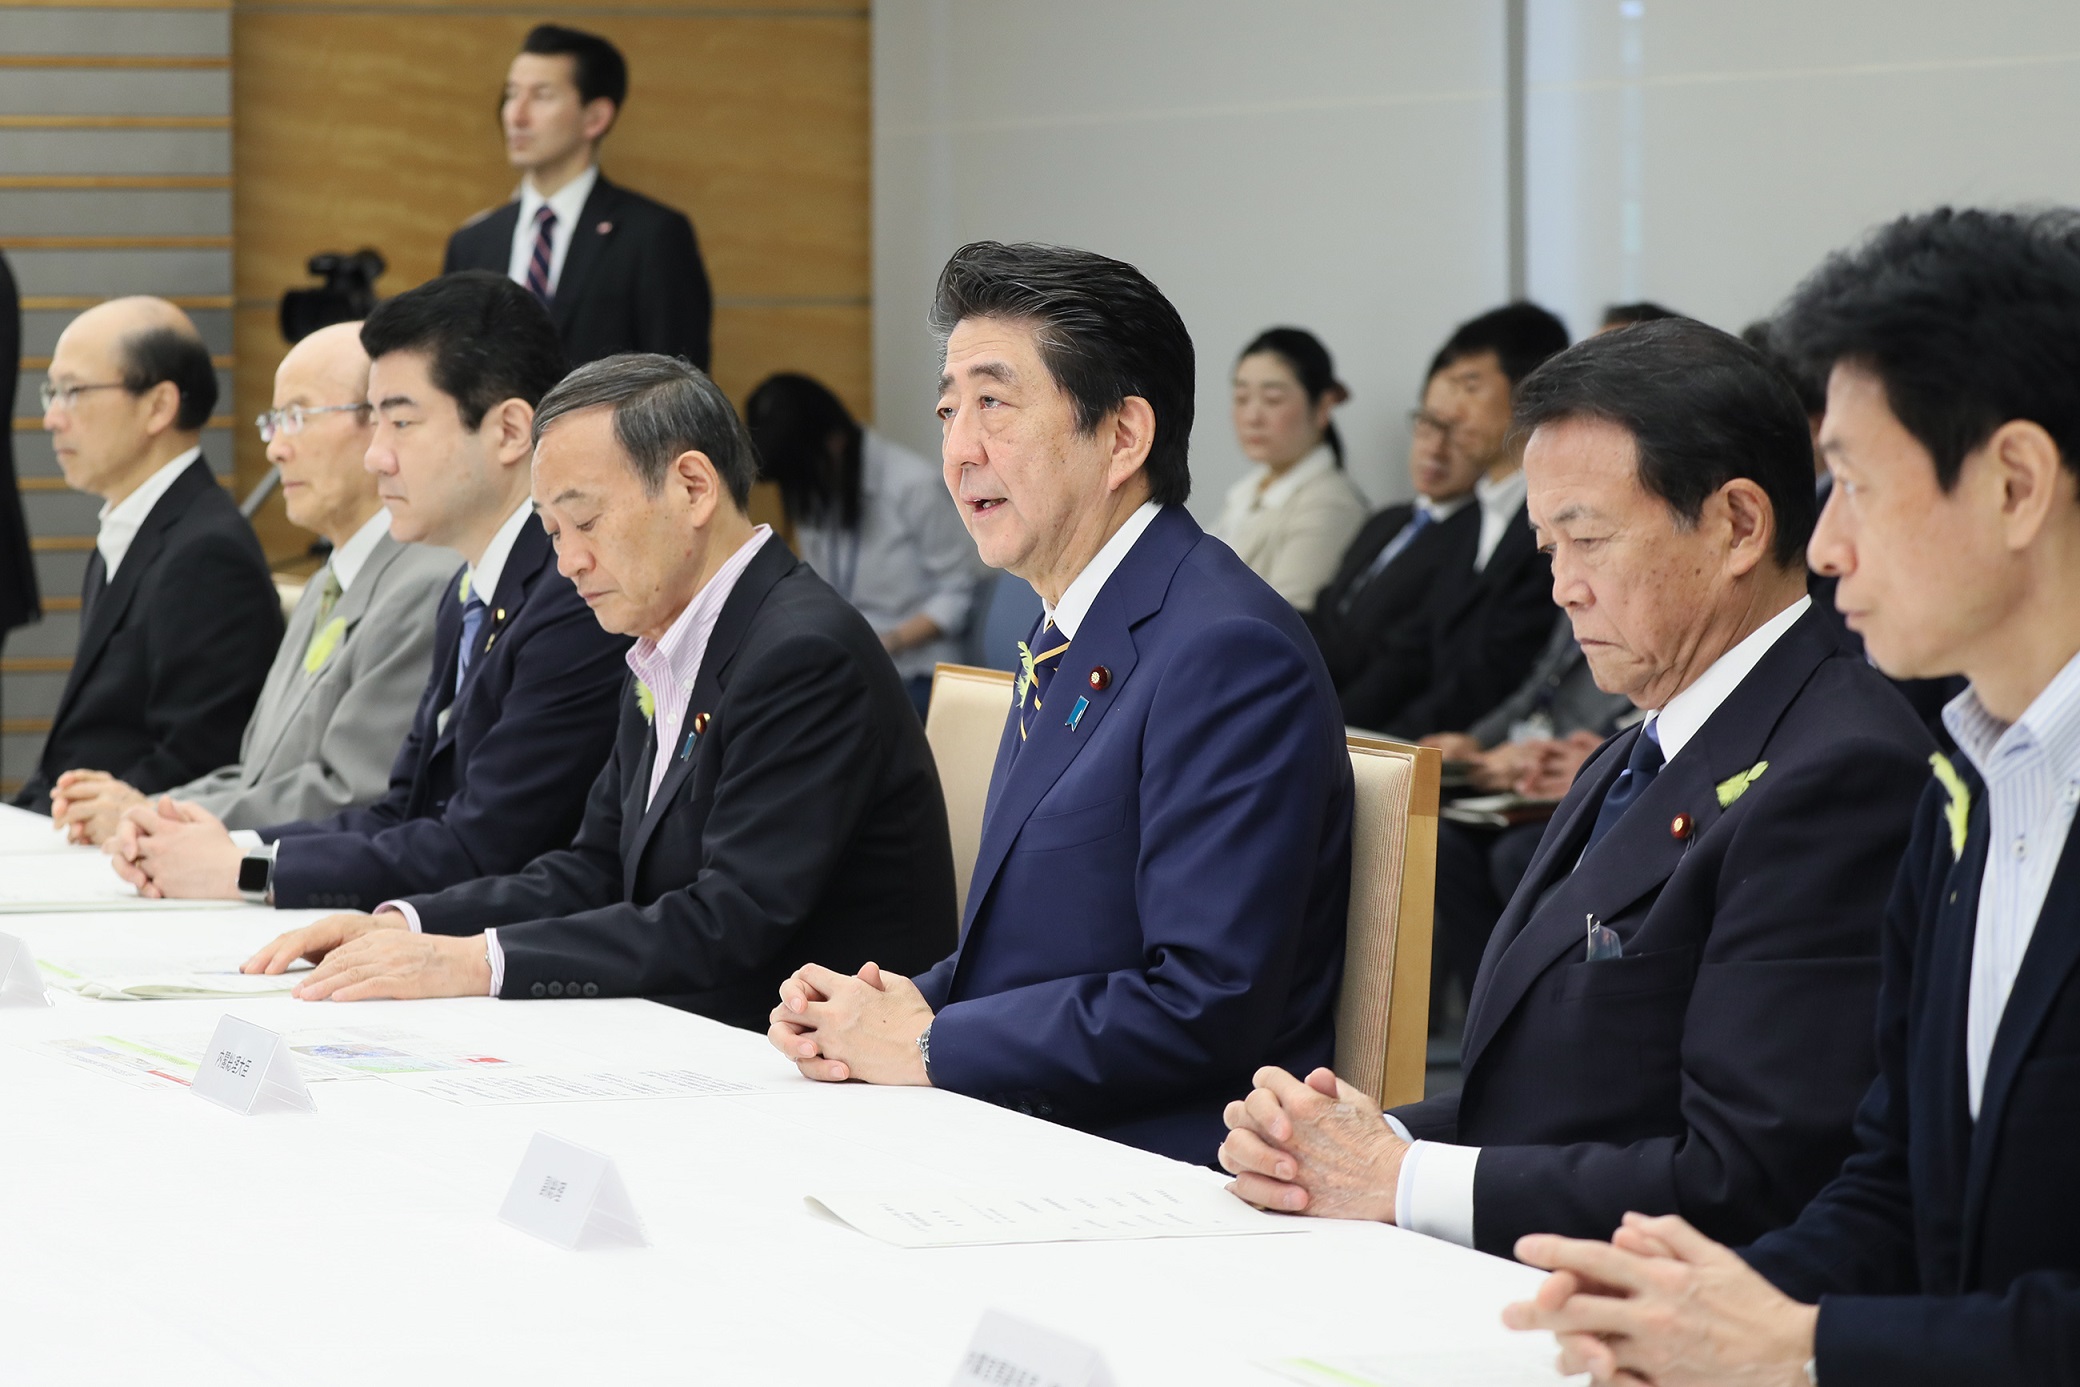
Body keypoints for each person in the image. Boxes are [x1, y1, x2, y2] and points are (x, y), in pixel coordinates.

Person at [1504, 207, 2080, 1387]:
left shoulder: (1880, 763)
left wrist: (1801, 1346)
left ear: (2015, 483)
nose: (1824, 548)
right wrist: (1681, 1314)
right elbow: (1892, 1182)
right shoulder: (1967, 785)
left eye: (1856, 486)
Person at [1219, 317, 1935, 1257]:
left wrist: (1403, 1179)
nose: (1563, 587)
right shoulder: (1638, 744)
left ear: (1737, 525)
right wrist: (1357, 1140)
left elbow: (1751, 1173)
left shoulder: (1838, 771)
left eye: (1588, 539)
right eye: (1547, 547)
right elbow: (1552, 1097)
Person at [765, 242, 1353, 1166]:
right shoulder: (1072, 625)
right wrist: (898, 1004)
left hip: (1157, 1168)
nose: (959, 449)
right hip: (1034, 1123)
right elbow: (1052, 945)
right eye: (950, 409)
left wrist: (925, 1043)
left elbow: (1201, 1008)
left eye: (994, 404)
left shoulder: (1226, 651)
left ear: (1122, 436)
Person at [240, 354, 956, 1022]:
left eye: (585, 521)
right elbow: (594, 867)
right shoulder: (663, 637)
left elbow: (726, 920)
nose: (570, 560)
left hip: (811, 1069)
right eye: (551, 532)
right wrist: (405, 924)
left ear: (693, 487)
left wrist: (473, 961)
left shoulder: (802, 654)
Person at [106, 272, 629, 910]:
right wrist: (217, 843)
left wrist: (246, 869)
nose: (377, 456)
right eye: (374, 422)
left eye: (401, 423)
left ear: (510, 432)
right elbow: (395, 814)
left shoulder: (573, 595)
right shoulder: (468, 591)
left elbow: (483, 847)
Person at [46, 324, 456, 845]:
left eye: (298, 418)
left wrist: (152, 818)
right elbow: (258, 774)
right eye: (273, 422)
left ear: (380, 424)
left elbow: (350, 793)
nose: (275, 450)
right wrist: (147, 809)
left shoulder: (424, 583)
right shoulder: (328, 580)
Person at [12, 297, 279, 814]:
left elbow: (198, 760)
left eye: (73, 392)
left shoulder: (208, 553)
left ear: (158, 406)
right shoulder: (134, 526)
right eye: (52, 392)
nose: (51, 418)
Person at [1339, 303, 1571, 736]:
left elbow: (1499, 672)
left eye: (1471, 386)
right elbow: (1416, 653)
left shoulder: (1557, 522)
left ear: (1528, 390)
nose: (1452, 410)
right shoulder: (1469, 521)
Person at [443, 24, 712, 371]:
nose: (516, 115)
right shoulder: (473, 243)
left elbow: (680, 389)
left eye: (541, 95)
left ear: (595, 118)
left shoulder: (652, 236)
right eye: (511, 94)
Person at [1421, 611, 1637, 1030]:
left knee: (1516, 856)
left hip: (1588, 769)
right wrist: (1478, 746)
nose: (1563, 587)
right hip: (1536, 772)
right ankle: (1481, 1015)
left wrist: (1597, 759)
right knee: (1444, 843)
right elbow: (1537, 690)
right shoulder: (1574, 588)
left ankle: (1541, 1023)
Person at [744, 372, 978, 717]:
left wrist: (888, 642)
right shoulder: (817, 494)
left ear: (834, 443)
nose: (801, 494)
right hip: (849, 665)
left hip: (916, 672)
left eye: (804, 476)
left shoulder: (912, 486)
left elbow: (960, 592)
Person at [1210, 328, 1369, 611]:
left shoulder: (1330, 504)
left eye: (1272, 399)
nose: (1252, 416)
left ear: (1322, 407)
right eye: (1241, 398)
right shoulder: (1247, 491)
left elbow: (1284, 620)